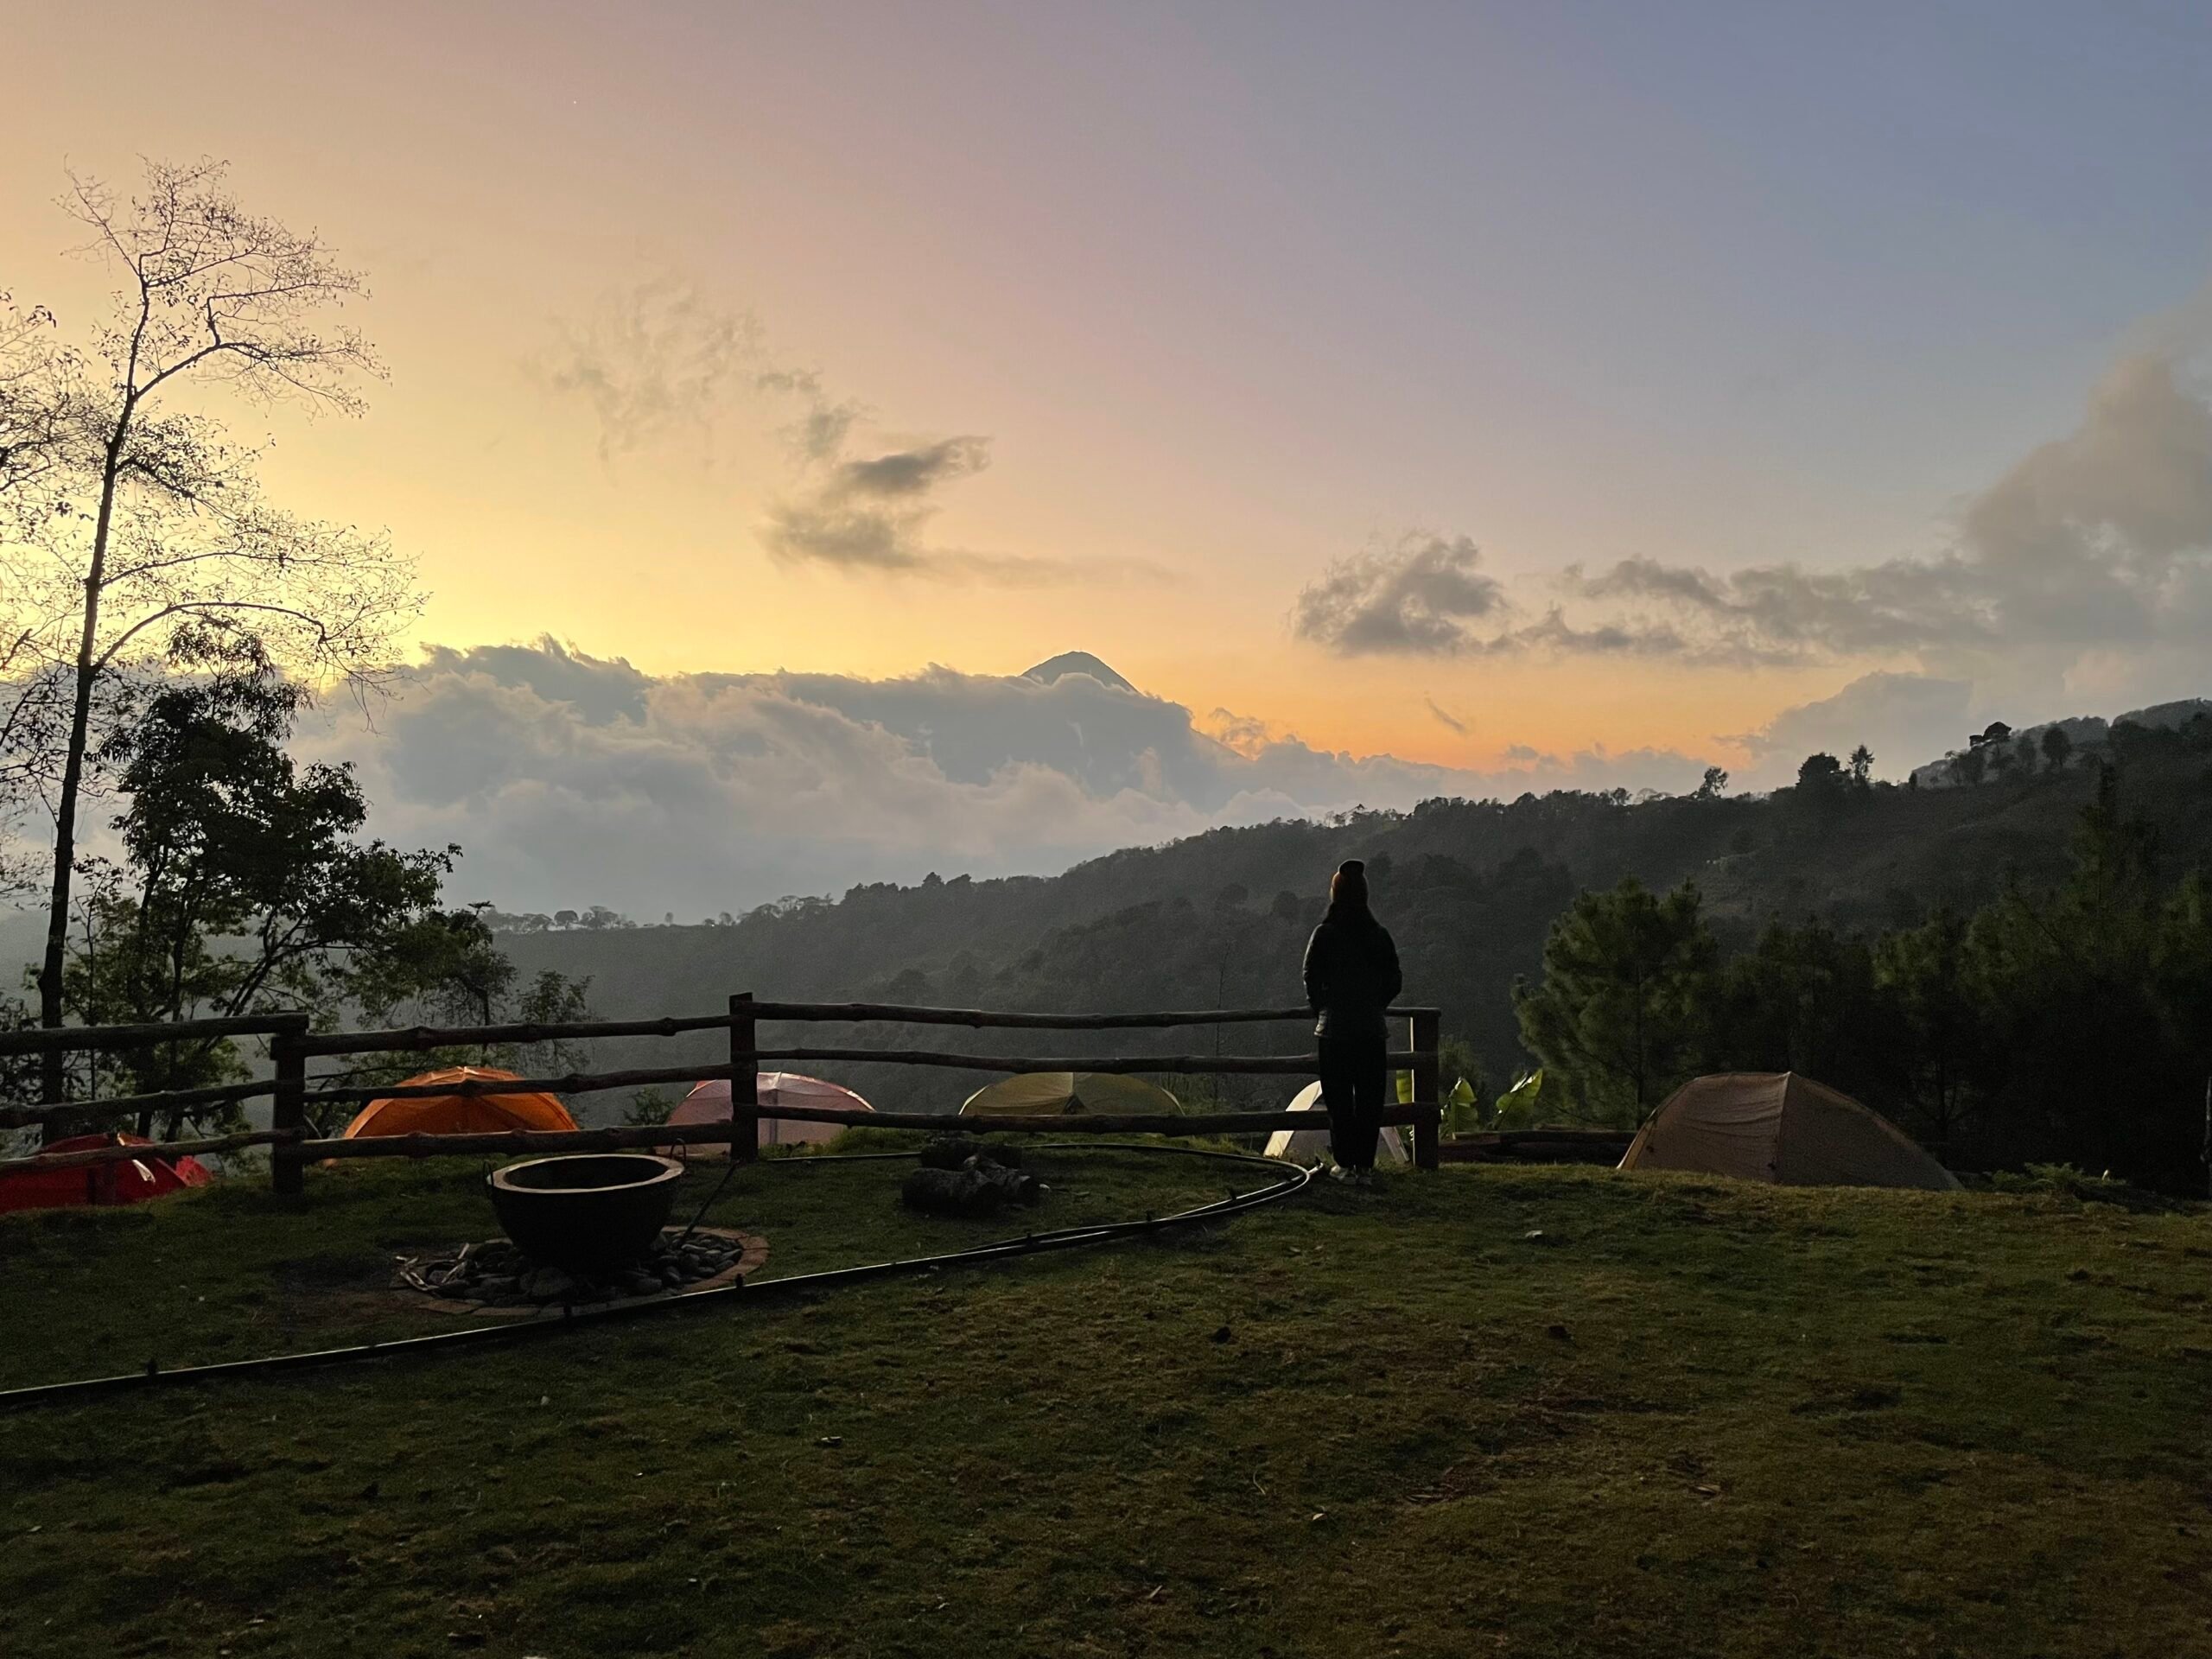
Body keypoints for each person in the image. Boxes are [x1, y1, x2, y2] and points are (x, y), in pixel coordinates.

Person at [1301, 859, 1402, 1186]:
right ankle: (1365, 1166)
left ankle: (1345, 1164)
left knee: (1340, 1101)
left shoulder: (1325, 934)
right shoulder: (1378, 935)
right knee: (1370, 1101)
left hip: (1334, 1032)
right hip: (1371, 1031)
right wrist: (1375, 1005)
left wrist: (1323, 1008)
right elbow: (1394, 979)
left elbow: (1310, 976)